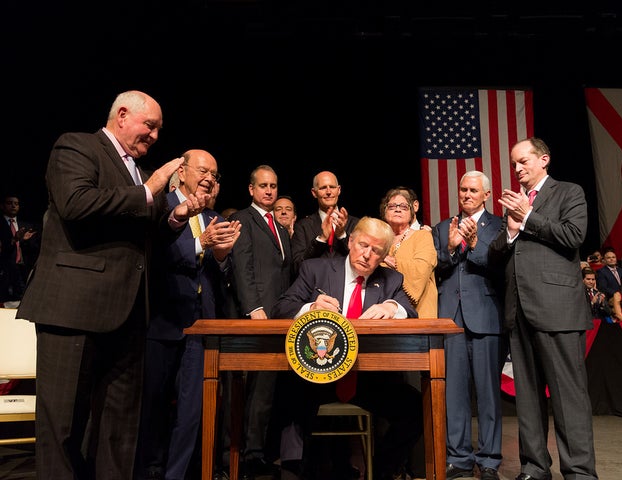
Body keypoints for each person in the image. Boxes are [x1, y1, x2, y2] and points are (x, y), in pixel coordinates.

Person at [16, 90, 209, 480]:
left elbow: (143, 234)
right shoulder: (77, 146)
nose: (154, 136)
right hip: (74, 309)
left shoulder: (137, 171)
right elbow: (75, 203)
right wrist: (151, 189)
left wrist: (175, 218)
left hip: (130, 315)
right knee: (64, 427)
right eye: (149, 126)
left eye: (159, 130)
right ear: (122, 115)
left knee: (119, 429)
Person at [271, 216, 422, 480]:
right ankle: (296, 472)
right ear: (350, 241)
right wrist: (310, 307)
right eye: (363, 245)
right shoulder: (315, 269)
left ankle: (381, 470)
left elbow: (409, 310)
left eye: (376, 251)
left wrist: (391, 307)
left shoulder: (391, 279)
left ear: (384, 256)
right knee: (287, 394)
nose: (367, 255)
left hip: (366, 379)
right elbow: (280, 309)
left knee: (415, 409)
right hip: (316, 377)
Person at [489, 137, 598, 480]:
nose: (517, 169)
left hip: (557, 308)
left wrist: (529, 216)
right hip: (519, 309)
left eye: (523, 162)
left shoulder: (569, 192)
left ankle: (579, 471)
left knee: (568, 396)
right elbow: (497, 255)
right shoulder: (515, 207)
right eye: (514, 164)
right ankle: (534, 467)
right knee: (528, 396)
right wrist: (509, 230)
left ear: (544, 159)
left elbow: (573, 236)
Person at [136, 150, 241, 480]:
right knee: (150, 407)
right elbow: (155, 255)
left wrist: (222, 256)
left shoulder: (213, 217)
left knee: (192, 411)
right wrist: (200, 244)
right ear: (181, 172)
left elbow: (220, 275)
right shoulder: (158, 206)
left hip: (200, 325)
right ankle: (145, 471)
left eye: (216, 174)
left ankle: (176, 475)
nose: (210, 177)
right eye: (204, 170)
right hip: (161, 321)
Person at [432, 171, 504, 480]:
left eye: (473, 190)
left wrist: (473, 245)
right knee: (455, 393)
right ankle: (458, 458)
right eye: (463, 189)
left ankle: (488, 459)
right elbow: (435, 266)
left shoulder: (499, 226)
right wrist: (449, 248)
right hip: (451, 318)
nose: (466, 194)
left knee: (488, 393)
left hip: (486, 315)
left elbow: (499, 266)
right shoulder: (442, 227)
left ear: (486, 194)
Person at [227, 165, 293, 478]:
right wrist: (253, 307)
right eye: (263, 186)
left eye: (273, 186)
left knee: (266, 390)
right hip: (255, 319)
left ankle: (256, 452)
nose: (269, 191)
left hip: (278, 319)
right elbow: (242, 267)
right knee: (247, 389)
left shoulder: (280, 228)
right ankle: (237, 455)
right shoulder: (243, 219)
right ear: (251, 189)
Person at [380, 187, 438, 318]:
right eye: (392, 206)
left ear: (412, 212)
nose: (398, 209)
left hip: (418, 313)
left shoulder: (423, 236)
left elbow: (420, 270)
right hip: (384, 313)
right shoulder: (378, 240)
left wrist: (390, 262)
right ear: (384, 211)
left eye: (404, 207)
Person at [291, 170, 359, 271]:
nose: (328, 192)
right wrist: (321, 239)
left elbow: (362, 259)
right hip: (315, 285)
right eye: (323, 188)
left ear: (339, 190)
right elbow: (297, 266)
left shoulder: (357, 224)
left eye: (332, 187)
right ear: (314, 193)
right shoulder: (302, 226)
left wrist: (341, 235)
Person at [0, 194, 41, 303]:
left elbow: (35, 248)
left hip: (22, 269)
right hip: (4, 269)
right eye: (9, 203)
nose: (13, 206)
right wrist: (14, 239)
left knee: (24, 300)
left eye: (16, 204)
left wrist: (24, 240)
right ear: (2, 206)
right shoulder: (1, 225)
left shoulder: (26, 226)